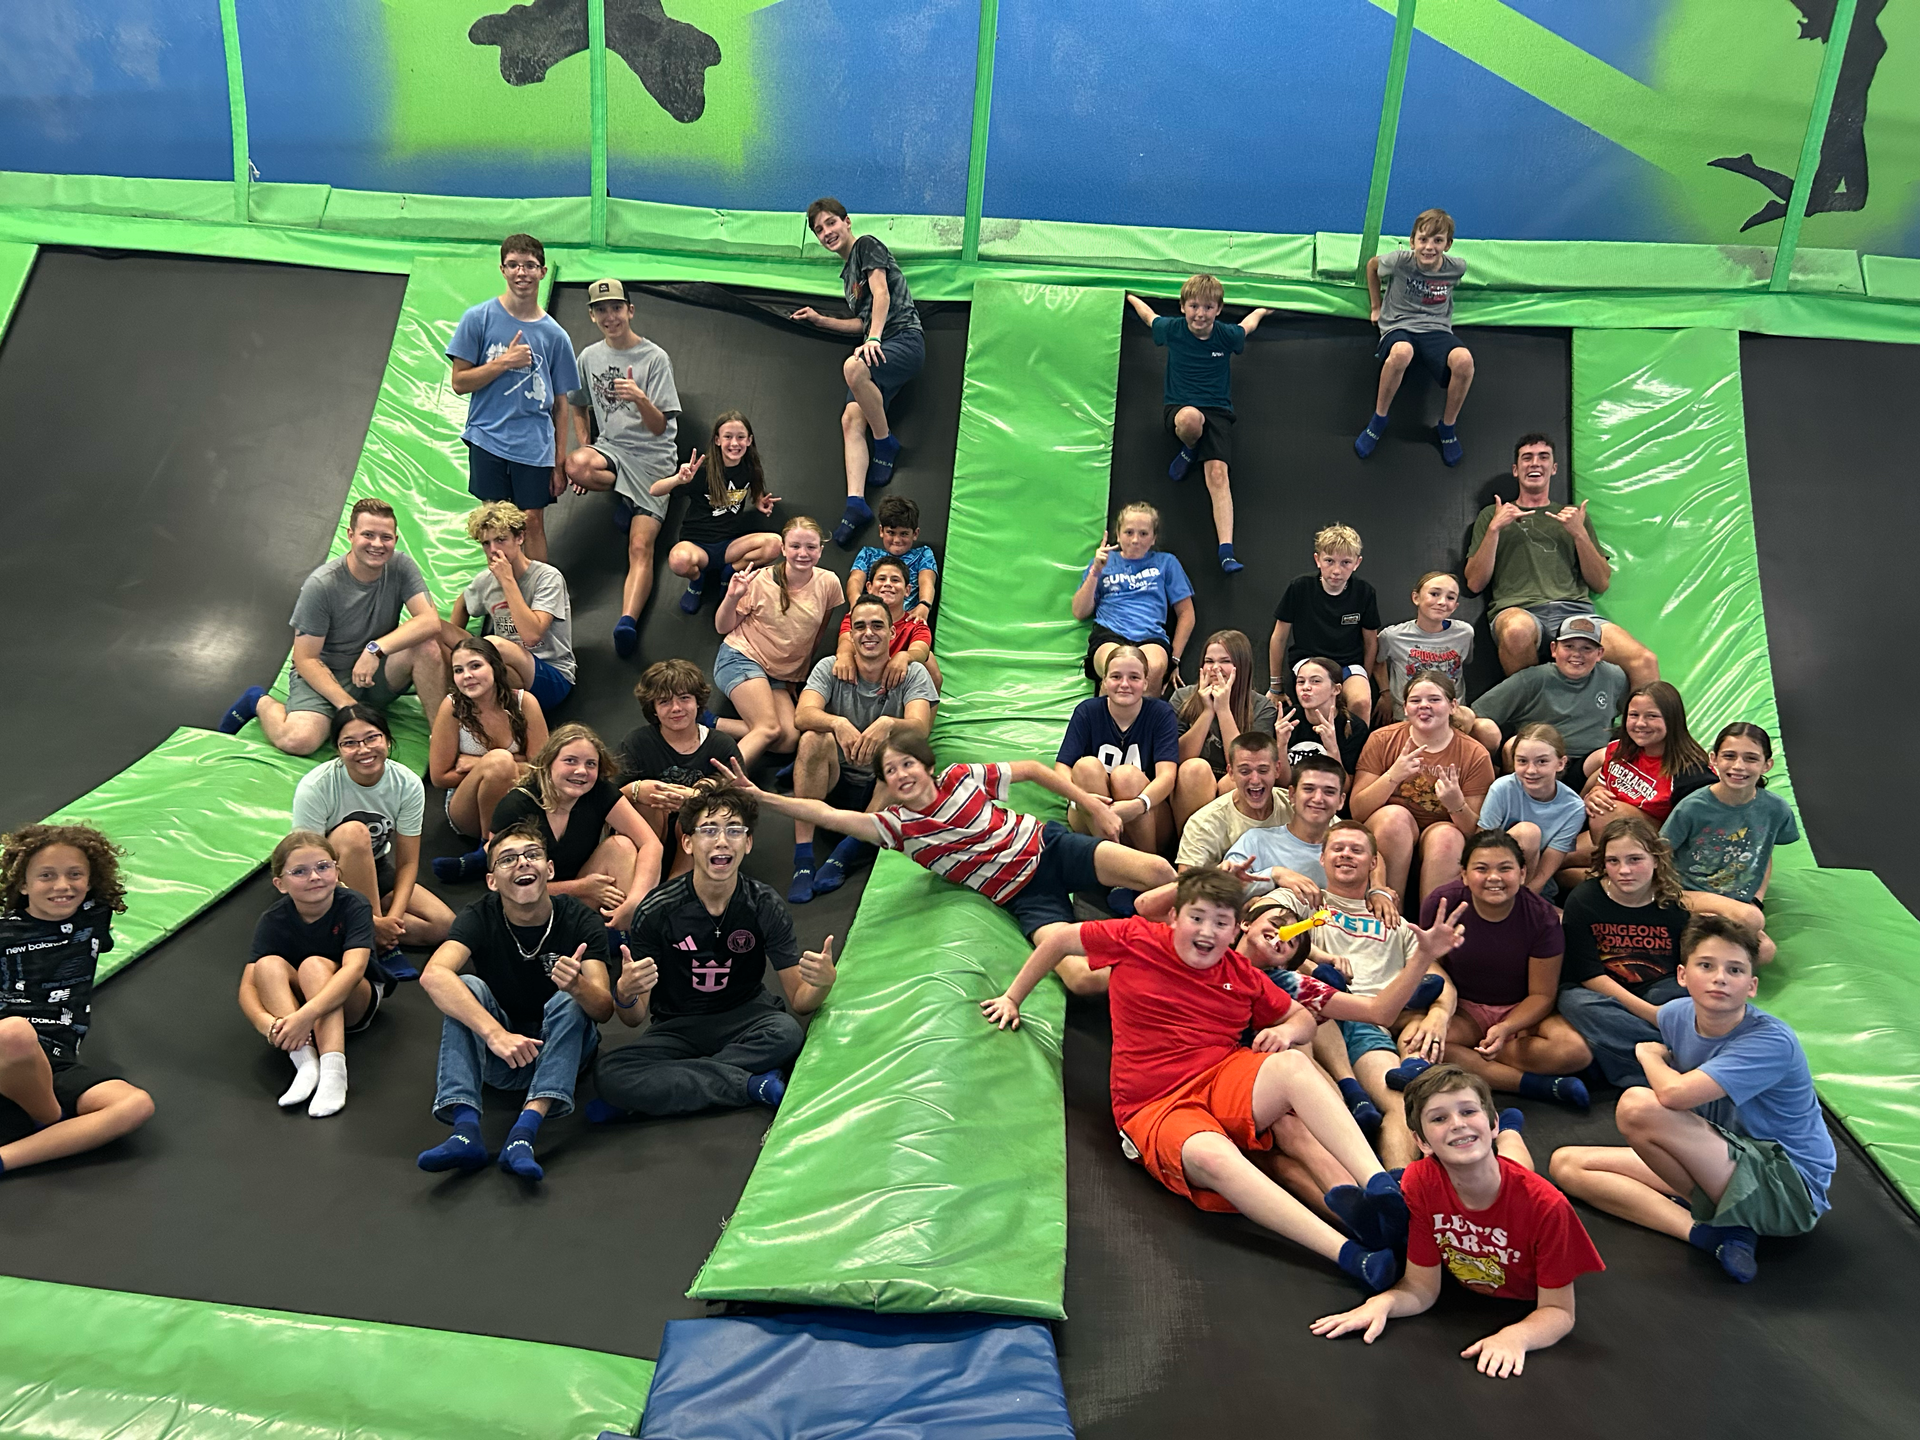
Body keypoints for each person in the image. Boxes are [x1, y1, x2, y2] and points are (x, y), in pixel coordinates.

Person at [980, 869, 1403, 1291]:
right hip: (1155, 1103)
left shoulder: (1247, 974)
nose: (1206, 932)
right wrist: (1012, 998)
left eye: (1219, 923)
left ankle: (1379, 1184)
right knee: (1214, 1157)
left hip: (1221, 1076)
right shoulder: (1138, 938)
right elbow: (1057, 940)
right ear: (1176, 917)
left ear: (1234, 929)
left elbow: (1302, 1016)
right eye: (1197, 918)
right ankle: (1348, 1255)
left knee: (1292, 1068)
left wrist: (1288, 1031)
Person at [1550, 915, 1835, 1284]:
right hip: (1719, 1157)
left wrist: (1649, 1056)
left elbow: (1673, 1095)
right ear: (1683, 975)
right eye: (1706, 965)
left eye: (1734, 970)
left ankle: (1730, 1214)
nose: (1719, 977)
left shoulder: (1770, 1042)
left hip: (1785, 1186)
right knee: (1567, 1165)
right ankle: (1707, 1233)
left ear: (1751, 986)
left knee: (1639, 1105)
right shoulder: (1675, 1015)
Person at [722, 728, 1174, 951]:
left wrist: (1092, 805)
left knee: (1156, 871)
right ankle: (1150, 950)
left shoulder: (960, 777)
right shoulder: (896, 827)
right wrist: (762, 796)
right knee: (1078, 974)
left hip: (1049, 846)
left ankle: (1199, 914)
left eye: (907, 764)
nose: (900, 775)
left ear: (927, 766)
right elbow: (826, 812)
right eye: (890, 771)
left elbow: (1034, 770)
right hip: (1022, 894)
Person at [1313, 1064, 1604, 1377]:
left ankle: (1509, 1130)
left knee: (1516, 1161)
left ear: (1489, 1121)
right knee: (1507, 1166)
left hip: (1522, 1260)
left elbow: (1559, 1311)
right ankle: (1507, 1133)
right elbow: (1420, 1288)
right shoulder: (1420, 1181)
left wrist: (1517, 1336)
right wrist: (1383, 1303)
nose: (1457, 1124)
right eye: (1439, 1118)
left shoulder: (1548, 1207)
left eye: (1468, 1112)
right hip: (1484, 1222)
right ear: (1422, 1142)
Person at [593, 783, 836, 1119]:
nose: (722, 840)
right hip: (678, 1027)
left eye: (734, 830)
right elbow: (634, 1017)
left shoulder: (764, 904)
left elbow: (799, 1001)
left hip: (748, 1017)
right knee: (610, 1072)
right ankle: (748, 1085)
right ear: (688, 843)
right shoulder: (656, 911)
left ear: (747, 843)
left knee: (786, 1034)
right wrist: (624, 992)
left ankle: (665, 1090)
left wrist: (822, 984)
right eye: (709, 830)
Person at [414, 824, 614, 1181]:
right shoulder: (479, 915)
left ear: (549, 870)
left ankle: (525, 1133)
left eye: (532, 855)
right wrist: (494, 1034)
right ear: (492, 880)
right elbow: (433, 975)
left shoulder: (580, 919)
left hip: (565, 1052)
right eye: (508, 859)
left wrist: (578, 985)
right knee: (464, 986)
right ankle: (465, 1131)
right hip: (504, 1053)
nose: (522, 864)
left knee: (570, 1001)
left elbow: (603, 1008)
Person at [1258, 819, 1441, 1166]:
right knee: (1317, 1106)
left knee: (1402, 1102)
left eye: (1357, 850)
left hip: (1370, 1022)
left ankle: (1398, 1187)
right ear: (1322, 858)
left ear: (1373, 864)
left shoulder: (1396, 923)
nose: (1346, 855)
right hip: (1310, 1015)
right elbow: (1265, 929)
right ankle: (1356, 1173)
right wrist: (1317, 962)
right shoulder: (1303, 902)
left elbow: (1438, 977)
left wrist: (1439, 1015)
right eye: (1337, 849)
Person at [219, 499, 446, 757]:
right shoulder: (322, 585)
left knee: (426, 646)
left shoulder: (400, 566)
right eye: (368, 535)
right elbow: (305, 659)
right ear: (350, 535)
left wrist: (375, 649)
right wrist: (348, 706)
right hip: (327, 677)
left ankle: (442, 739)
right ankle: (258, 701)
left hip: (373, 672)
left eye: (385, 537)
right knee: (298, 740)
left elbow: (430, 621)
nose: (377, 544)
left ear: (395, 539)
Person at [0, 824, 154, 1176]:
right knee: (14, 1033)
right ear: (23, 884)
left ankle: (8, 1156)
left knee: (135, 1104)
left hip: (57, 1060)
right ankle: (51, 1119)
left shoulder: (95, 916)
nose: (62, 886)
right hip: (6, 1056)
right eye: (46, 876)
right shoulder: (4, 932)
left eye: (75, 875)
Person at [1398, 831, 1592, 1108]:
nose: (1494, 878)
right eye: (1481, 868)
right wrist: (1439, 1014)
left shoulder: (1541, 917)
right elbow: (1430, 967)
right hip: (1464, 1010)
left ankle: (1476, 1061)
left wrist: (1506, 1028)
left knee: (1575, 1052)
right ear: (1464, 874)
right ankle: (1533, 1085)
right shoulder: (1443, 904)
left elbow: (1542, 995)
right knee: (1416, 1043)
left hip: (1522, 1012)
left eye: (1505, 868)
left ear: (1522, 873)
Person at [1464, 434, 1657, 686]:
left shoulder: (1574, 516)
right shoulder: (1493, 515)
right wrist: (1494, 530)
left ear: (1553, 468)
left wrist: (1579, 533)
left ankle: (1639, 725)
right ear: (1516, 469)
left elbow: (1600, 583)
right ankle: (1535, 723)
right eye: (1527, 458)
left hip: (1576, 612)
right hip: (1520, 610)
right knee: (1515, 631)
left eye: (1543, 457)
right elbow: (1475, 583)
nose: (1535, 463)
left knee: (1645, 661)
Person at [793, 198, 927, 548]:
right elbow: (860, 321)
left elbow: (881, 295)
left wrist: (873, 339)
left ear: (847, 221)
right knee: (851, 418)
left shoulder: (867, 246)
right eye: (819, 230)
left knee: (853, 366)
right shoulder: (847, 277)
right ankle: (856, 504)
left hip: (903, 341)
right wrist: (821, 320)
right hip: (879, 343)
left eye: (830, 224)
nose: (826, 233)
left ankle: (886, 442)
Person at [790, 595, 937, 902]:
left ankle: (849, 850)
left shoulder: (913, 674)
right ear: (851, 634)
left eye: (876, 625)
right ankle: (803, 857)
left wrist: (887, 724)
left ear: (892, 632)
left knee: (902, 754)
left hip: (882, 789)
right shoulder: (830, 667)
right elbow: (802, 715)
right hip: (836, 781)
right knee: (812, 738)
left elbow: (920, 726)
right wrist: (837, 723)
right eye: (860, 627)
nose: (868, 632)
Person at [560, 280, 679, 655]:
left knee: (641, 545)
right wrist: (588, 444)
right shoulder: (589, 357)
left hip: (653, 460)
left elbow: (660, 426)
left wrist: (640, 397)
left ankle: (627, 621)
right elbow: (577, 403)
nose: (609, 316)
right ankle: (623, 497)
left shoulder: (654, 358)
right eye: (601, 310)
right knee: (576, 465)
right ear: (592, 316)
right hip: (612, 450)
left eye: (616, 308)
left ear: (630, 310)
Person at [447, 234, 580, 564]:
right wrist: (503, 363)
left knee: (531, 522)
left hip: (534, 447)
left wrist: (559, 462)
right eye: (514, 265)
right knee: (494, 525)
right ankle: (505, 605)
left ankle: (541, 605)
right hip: (488, 438)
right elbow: (460, 383)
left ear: (543, 271)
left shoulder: (555, 336)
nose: (522, 272)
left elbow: (561, 405)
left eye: (530, 266)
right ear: (503, 269)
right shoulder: (478, 319)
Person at [1124, 280, 1273, 572]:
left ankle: (1226, 551)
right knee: (1191, 419)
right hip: (1181, 408)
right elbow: (1148, 317)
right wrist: (1127, 294)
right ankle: (1189, 448)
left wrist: (1264, 308)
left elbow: (1248, 325)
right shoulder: (1174, 329)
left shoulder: (1225, 335)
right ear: (1183, 307)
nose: (1200, 314)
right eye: (1193, 306)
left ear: (1218, 309)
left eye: (1207, 307)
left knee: (1218, 474)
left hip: (1218, 412)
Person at [238, 831, 387, 1118]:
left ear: (336, 870)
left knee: (313, 965)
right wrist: (267, 1024)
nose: (315, 877)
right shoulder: (272, 919)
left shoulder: (354, 905)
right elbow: (248, 984)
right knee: (267, 965)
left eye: (323, 867)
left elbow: (354, 970)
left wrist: (304, 1016)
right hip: (303, 1017)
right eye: (300, 872)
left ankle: (333, 1070)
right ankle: (305, 1062)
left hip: (356, 1001)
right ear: (280, 884)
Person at [291, 706, 452, 968]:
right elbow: (307, 862)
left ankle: (362, 932)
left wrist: (393, 921)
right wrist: (373, 921)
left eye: (371, 738)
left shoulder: (407, 784)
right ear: (338, 750)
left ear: (387, 740)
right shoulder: (317, 786)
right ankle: (369, 938)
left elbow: (408, 862)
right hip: (325, 876)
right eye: (350, 743)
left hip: (374, 868)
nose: (363, 749)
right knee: (355, 832)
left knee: (443, 926)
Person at [1557, 816, 1692, 1087]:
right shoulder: (1584, 900)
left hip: (1657, 987)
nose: (1624, 871)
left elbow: (1682, 969)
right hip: (1600, 991)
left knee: (1686, 998)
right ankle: (1669, 1063)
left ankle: (1627, 1063)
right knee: (1575, 1003)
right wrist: (1651, 1014)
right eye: (1613, 861)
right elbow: (1588, 974)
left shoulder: (1673, 907)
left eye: (1635, 859)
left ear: (1655, 859)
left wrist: (1662, 1007)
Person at [491, 725, 663, 934]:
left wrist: (637, 899)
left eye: (591, 764)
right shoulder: (515, 806)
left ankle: (626, 928)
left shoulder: (598, 791)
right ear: (548, 762)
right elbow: (505, 885)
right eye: (570, 760)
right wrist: (581, 887)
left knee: (622, 846)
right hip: (533, 901)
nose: (581, 771)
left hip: (583, 892)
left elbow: (651, 843)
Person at [713, 517, 845, 768]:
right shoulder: (760, 581)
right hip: (741, 657)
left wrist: (796, 675)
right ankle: (719, 785)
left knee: (788, 740)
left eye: (810, 547)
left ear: (820, 550)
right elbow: (722, 627)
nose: (802, 554)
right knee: (768, 728)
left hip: (777, 674)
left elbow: (816, 633)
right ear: (783, 549)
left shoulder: (829, 583)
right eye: (795, 546)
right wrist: (732, 597)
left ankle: (711, 723)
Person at [1661, 723, 1798, 966]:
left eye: (1751, 758)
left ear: (1767, 765)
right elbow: (1660, 854)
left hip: (1735, 906)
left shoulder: (1775, 809)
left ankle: (1705, 960)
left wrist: (1757, 897)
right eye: (1729, 756)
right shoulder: (1693, 807)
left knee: (1765, 951)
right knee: (1751, 919)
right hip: (1687, 896)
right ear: (1713, 759)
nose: (1738, 766)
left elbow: (1763, 854)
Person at [1351, 672, 1493, 906]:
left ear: (1453, 706)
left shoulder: (1474, 754)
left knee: (1447, 836)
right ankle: (1390, 914)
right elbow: (1357, 811)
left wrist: (1456, 804)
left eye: (1434, 700)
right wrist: (1392, 777)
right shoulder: (1382, 739)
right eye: (1415, 701)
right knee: (1394, 818)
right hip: (1391, 832)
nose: (1424, 706)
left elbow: (1474, 833)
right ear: (1405, 708)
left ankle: (1431, 925)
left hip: (1440, 833)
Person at [1354, 209, 1475, 466]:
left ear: (1448, 244)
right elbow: (1372, 266)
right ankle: (1379, 418)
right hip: (1399, 325)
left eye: (1437, 241)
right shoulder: (1400, 261)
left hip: (1437, 330)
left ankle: (1447, 427)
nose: (1429, 247)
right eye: (1423, 240)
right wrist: (1376, 306)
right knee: (1401, 353)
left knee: (1464, 361)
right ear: (1412, 241)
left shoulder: (1457, 268)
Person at [429, 636, 549, 882]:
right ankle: (490, 847)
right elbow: (439, 777)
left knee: (500, 762)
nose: (467, 676)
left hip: (519, 798)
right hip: (468, 806)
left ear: (494, 666)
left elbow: (543, 771)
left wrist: (478, 763)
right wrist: (491, 767)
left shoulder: (524, 703)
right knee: (499, 762)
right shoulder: (452, 708)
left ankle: (488, 853)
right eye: (458, 670)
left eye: (475, 666)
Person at [443, 500, 576, 713]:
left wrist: (507, 581)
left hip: (550, 674)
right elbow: (463, 603)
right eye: (486, 544)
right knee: (434, 627)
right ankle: (457, 712)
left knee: (495, 644)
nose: (493, 550)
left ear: (520, 538)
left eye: (501, 540)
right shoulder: (485, 580)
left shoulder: (547, 577)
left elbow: (532, 635)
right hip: (502, 669)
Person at [1224, 758, 1396, 916]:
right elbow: (1221, 889)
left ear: (1341, 801)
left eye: (1329, 792)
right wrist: (1274, 874)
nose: (1318, 798)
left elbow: (1375, 856)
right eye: (1309, 789)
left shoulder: (1347, 851)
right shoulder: (1256, 840)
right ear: (1292, 795)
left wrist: (1378, 890)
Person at [619, 659, 742, 878]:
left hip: (701, 841)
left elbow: (741, 800)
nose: (676, 708)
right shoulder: (637, 743)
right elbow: (608, 798)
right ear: (654, 709)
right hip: (648, 835)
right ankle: (643, 884)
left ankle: (676, 887)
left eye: (684, 698)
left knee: (697, 815)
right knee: (649, 804)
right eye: (664, 701)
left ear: (698, 702)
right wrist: (637, 789)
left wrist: (699, 796)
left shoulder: (721, 744)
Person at [653, 410, 783, 615]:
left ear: (749, 440)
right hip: (698, 546)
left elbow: (753, 486)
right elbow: (654, 490)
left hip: (729, 546)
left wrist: (759, 501)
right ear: (717, 440)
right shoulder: (702, 471)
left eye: (741, 437)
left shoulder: (750, 467)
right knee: (678, 560)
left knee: (775, 544)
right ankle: (697, 582)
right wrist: (678, 479)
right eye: (728, 437)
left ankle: (730, 572)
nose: (734, 443)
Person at [1056, 645, 1180, 858]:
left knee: (1126, 775)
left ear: (1146, 682)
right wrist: (1082, 802)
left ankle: (1146, 868)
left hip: (1145, 815)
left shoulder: (1160, 713)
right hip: (1093, 817)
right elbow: (1061, 768)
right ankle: (1112, 865)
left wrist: (1138, 805)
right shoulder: (1087, 711)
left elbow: (1167, 776)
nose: (1124, 684)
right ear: (1104, 681)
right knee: (1085, 766)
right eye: (1116, 676)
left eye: (1134, 677)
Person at [1469, 615, 1627, 780]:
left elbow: (1632, 714)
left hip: (1588, 763)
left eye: (1586, 648)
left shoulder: (1614, 676)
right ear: (1554, 649)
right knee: (1511, 746)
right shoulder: (1532, 678)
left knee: (1611, 755)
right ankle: (1511, 794)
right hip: (1539, 760)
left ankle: (1580, 802)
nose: (1577, 654)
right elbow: (1479, 713)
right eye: (1569, 646)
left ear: (1599, 653)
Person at [1071, 502, 1194, 696]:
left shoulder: (1166, 562)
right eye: (1129, 532)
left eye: (1143, 534)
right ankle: (1106, 724)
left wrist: (1174, 660)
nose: (1135, 540)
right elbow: (1079, 612)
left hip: (1150, 637)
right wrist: (1096, 571)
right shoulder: (1103, 562)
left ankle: (1144, 724)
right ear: (1118, 535)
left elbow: (1187, 614)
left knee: (1150, 669)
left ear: (1153, 538)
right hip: (1109, 634)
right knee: (1118, 668)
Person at [1579, 680, 1712, 847]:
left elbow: (1702, 828)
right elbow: (1602, 785)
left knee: (1606, 812)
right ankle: (1605, 867)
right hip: (1610, 834)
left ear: (1672, 720)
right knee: (1558, 858)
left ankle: (1618, 868)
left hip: (1658, 846)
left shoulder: (1691, 774)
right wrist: (1596, 793)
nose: (1640, 723)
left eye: (1652, 716)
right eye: (1634, 715)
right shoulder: (1618, 749)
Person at [1170, 629, 1280, 831]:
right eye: (1209, 661)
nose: (1215, 668)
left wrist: (1223, 708)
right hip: (1190, 787)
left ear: (1242, 666)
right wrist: (1207, 712)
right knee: (1195, 769)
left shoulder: (1262, 707)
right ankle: (1192, 853)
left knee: (1236, 780)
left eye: (1225, 661)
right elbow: (1179, 758)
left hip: (1232, 784)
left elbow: (1247, 763)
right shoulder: (1182, 697)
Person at [1269, 525, 1380, 723]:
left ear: (1357, 563)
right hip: (1310, 661)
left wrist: (1364, 677)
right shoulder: (1300, 587)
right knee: (1319, 700)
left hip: (1349, 664)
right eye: (1329, 561)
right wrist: (1275, 686)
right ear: (1317, 559)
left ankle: (1357, 753)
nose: (1336, 570)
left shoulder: (1364, 592)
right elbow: (1279, 637)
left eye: (1346, 562)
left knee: (1361, 702)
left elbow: (1371, 641)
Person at [1478, 724, 1586, 895]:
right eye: (1522, 761)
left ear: (1560, 763)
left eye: (1542, 761)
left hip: (1534, 884)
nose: (1531, 770)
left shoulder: (1573, 808)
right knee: (1528, 833)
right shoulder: (1502, 788)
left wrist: (1528, 898)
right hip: (1494, 875)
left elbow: (1546, 869)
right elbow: (1482, 845)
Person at [1372, 571, 1476, 725]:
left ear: (1455, 606)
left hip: (1452, 718)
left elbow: (1465, 660)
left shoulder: (1464, 633)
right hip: (1409, 717)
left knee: (1486, 729)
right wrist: (1385, 693)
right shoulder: (1393, 636)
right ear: (1416, 597)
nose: (1442, 602)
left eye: (1450, 597)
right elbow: (1377, 660)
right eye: (1434, 594)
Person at [1176, 732, 1289, 872]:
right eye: (1245, 771)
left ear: (1277, 770)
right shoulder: (1204, 823)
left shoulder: (1296, 808)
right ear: (1231, 772)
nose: (1255, 780)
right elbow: (1185, 885)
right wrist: (1219, 875)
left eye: (1263, 770)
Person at [831, 555, 942, 693]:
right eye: (882, 579)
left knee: (929, 664)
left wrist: (905, 656)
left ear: (907, 590)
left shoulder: (916, 623)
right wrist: (845, 654)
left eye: (895, 580)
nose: (888, 584)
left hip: (898, 688)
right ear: (869, 587)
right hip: (861, 684)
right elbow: (846, 642)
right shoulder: (853, 617)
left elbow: (920, 650)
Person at [847, 494, 938, 614]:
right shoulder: (867, 554)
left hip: (906, 620)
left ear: (915, 534)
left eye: (904, 534)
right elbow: (855, 580)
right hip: (871, 617)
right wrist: (856, 604)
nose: (897, 540)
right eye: (891, 532)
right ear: (881, 531)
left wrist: (924, 605)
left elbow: (927, 581)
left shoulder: (923, 555)